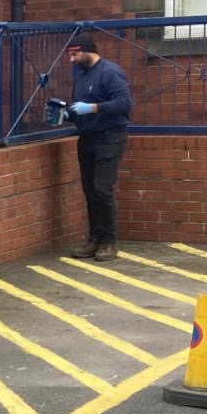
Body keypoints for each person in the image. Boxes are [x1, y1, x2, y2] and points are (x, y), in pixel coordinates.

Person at [65, 35, 132, 262]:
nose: (72, 60)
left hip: (109, 138)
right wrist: (65, 114)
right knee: (90, 191)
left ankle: (109, 242)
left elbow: (124, 103)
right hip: (87, 138)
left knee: (102, 190)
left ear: (86, 51)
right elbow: (77, 109)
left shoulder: (110, 72)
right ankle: (94, 239)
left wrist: (92, 108)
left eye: (74, 54)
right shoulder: (81, 76)